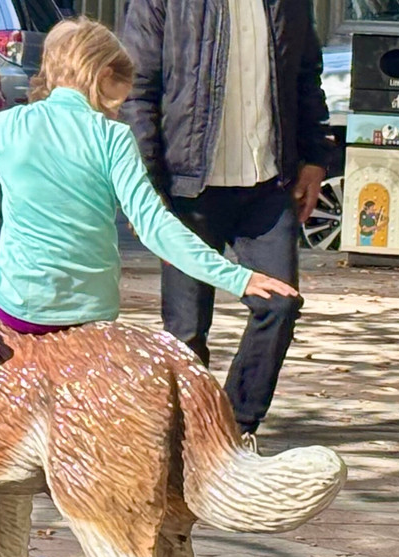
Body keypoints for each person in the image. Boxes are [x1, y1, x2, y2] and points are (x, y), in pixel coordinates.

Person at [0, 18, 297, 406]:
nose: (118, 107)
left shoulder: (9, 126)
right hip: (95, 310)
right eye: (119, 94)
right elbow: (156, 228)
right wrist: (237, 278)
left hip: (24, 304)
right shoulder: (115, 139)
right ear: (104, 75)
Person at [121, 0, 332, 440]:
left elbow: (306, 75)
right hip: (186, 187)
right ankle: (184, 439)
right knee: (186, 330)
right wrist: (147, 185)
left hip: (268, 185)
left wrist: (315, 156)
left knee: (279, 304)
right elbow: (137, 90)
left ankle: (234, 429)